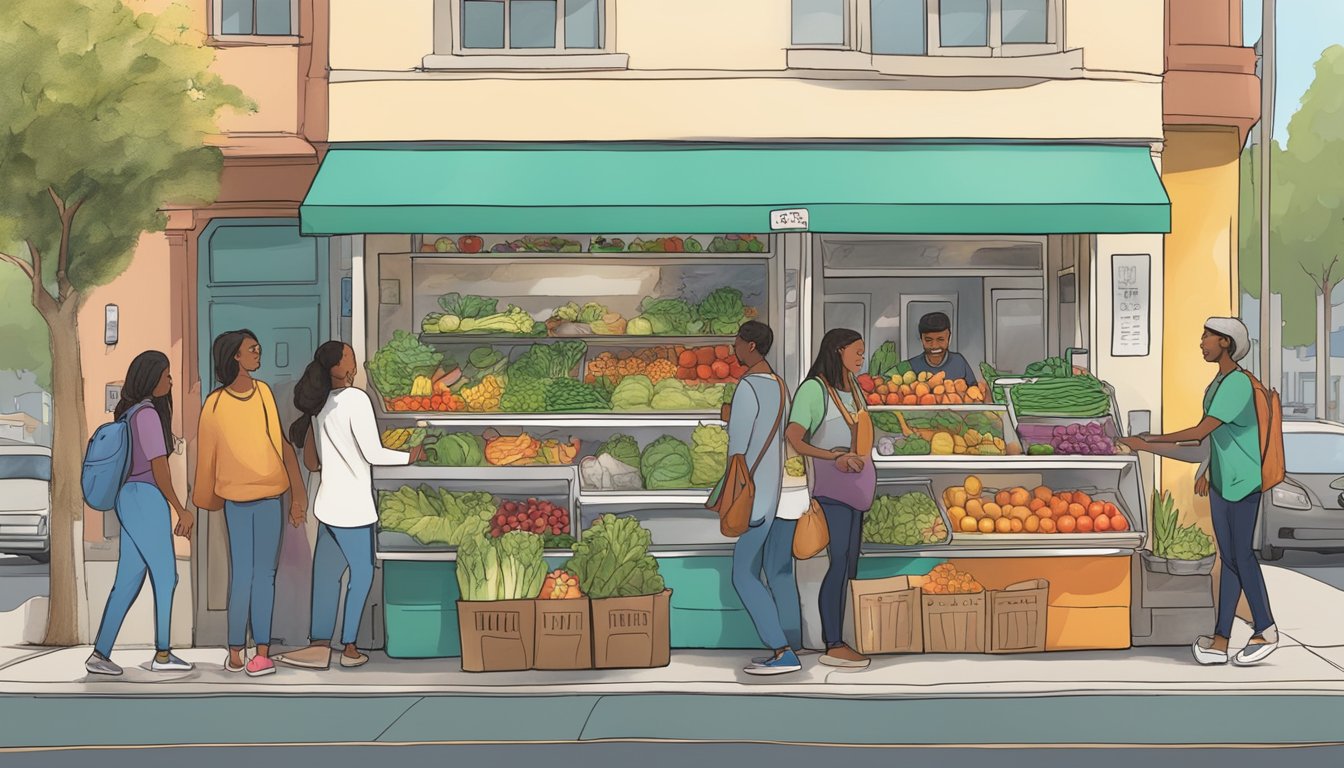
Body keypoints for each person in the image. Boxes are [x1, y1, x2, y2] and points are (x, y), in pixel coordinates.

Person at [1120, 317, 1277, 666]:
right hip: (1223, 480)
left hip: (1243, 481)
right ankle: (1221, 640)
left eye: (1208, 336)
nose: (1202, 342)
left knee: (1241, 557)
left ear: (1226, 342)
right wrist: (1200, 466)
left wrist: (1145, 441)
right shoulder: (1217, 384)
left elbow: (1196, 434)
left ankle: (1265, 629)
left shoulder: (1236, 384)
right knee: (1230, 560)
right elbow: (1210, 442)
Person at [275, 342, 426, 670]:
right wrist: (409, 456)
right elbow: (373, 454)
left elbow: (314, 462)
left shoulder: (320, 406)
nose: (354, 358)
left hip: (328, 504)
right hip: (354, 508)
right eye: (349, 356)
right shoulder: (357, 400)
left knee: (326, 576)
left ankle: (318, 646)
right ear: (341, 368)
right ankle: (350, 646)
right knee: (361, 574)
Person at [193, 330, 308, 677]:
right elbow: (207, 459)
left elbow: (283, 445)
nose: (259, 354)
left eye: (258, 348)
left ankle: (262, 650)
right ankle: (234, 650)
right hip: (236, 502)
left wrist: (297, 496)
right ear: (235, 358)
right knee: (242, 574)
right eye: (252, 350)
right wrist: (206, 501)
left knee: (265, 576)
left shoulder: (264, 395)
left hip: (271, 497)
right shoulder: (214, 404)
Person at [86, 352, 195, 675]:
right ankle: (162, 654)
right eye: (166, 376)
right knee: (166, 576)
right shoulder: (146, 415)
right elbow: (159, 468)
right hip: (146, 497)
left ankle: (100, 654)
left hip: (126, 498)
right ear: (151, 379)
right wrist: (180, 509)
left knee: (129, 579)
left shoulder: (129, 413)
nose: (171, 381)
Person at [720, 322, 806, 676]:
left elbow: (738, 447)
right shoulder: (780, 386)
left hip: (755, 494)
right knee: (780, 570)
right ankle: (794, 641)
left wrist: (728, 418)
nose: (734, 347)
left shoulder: (747, 388)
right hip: (782, 492)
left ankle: (782, 651)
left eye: (737, 342)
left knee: (743, 574)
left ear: (751, 345)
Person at [787, 328, 875, 669]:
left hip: (857, 490)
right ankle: (833, 643)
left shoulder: (853, 388)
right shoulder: (814, 390)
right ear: (838, 351)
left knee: (850, 563)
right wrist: (831, 456)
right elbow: (795, 438)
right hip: (832, 490)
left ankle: (843, 636)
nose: (861, 356)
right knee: (837, 563)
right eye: (857, 350)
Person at [906, 312, 981, 387]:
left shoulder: (959, 361)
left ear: (949, 338)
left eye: (940, 339)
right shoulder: (911, 365)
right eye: (928, 340)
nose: (934, 346)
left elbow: (974, 390)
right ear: (921, 339)